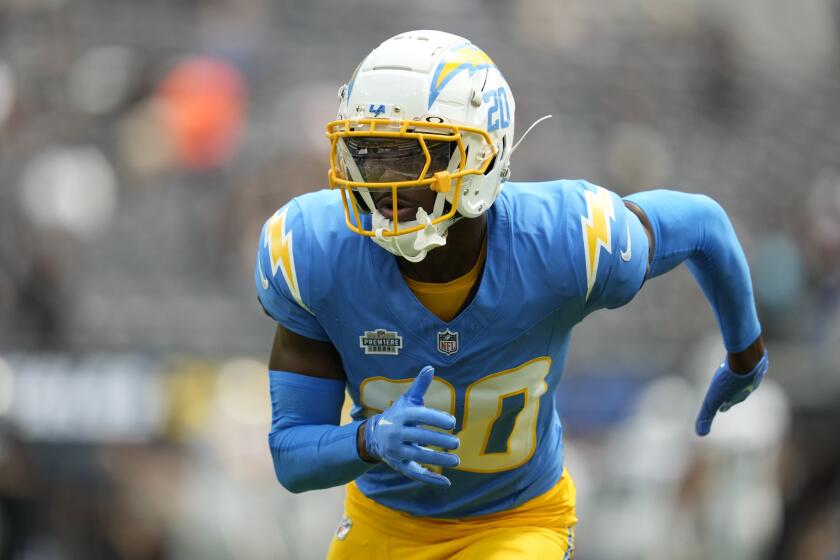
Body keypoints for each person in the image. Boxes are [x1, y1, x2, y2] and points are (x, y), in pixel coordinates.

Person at [254, 30, 768, 559]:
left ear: (482, 152)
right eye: (366, 153)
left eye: (410, 158)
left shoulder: (567, 239)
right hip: (385, 524)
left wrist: (745, 353)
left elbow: (704, 224)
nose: (380, 183)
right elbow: (291, 456)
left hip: (517, 522)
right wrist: (367, 440)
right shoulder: (313, 252)